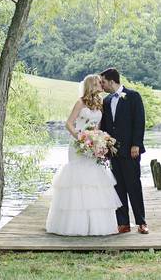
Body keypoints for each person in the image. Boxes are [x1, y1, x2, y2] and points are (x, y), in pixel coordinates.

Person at [44, 74, 122, 235]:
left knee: (94, 181)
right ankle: (74, 225)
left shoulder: (100, 103)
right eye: (99, 83)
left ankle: (95, 225)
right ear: (92, 85)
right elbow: (69, 123)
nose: (102, 84)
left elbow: (97, 127)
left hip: (94, 145)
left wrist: (99, 141)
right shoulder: (80, 103)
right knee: (78, 180)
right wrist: (81, 137)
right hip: (78, 146)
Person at [98, 67, 149, 234]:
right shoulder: (105, 101)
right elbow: (105, 127)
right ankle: (123, 223)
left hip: (130, 150)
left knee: (133, 185)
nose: (102, 85)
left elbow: (139, 122)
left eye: (103, 82)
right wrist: (104, 147)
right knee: (118, 187)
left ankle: (141, 222)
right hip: (113, 152)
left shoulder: (133, 96)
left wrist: (136, 144)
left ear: (112, 81)